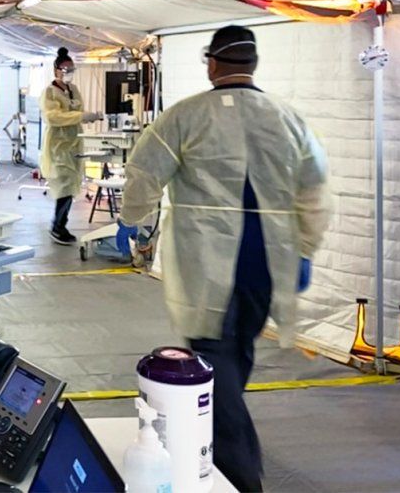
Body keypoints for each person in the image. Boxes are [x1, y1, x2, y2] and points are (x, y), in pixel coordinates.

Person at [115, 26, 330, 491]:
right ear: (252, 64)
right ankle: (221, 438)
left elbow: (144, 172)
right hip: (268, 262)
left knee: (214, 359)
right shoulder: (287, 117)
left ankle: (240, 471)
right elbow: (314, 189)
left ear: (211, 63)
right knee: (239, 350)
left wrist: (131, 220)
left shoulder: (185, 117)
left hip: (207, 264)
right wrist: (306, 248)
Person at [39, 47, 100, 244]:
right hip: (58, 145)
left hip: (74, 143)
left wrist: (90, 116)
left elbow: (77, 110)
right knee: (64, 185)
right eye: (65, 69)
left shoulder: (74, 90)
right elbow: (53, 117)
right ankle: (57, 226)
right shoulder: (49, 92)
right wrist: (80, 116)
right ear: (56, 70)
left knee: (71, 185)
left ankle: (61, 224)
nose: (68, 73)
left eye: (71, 69)